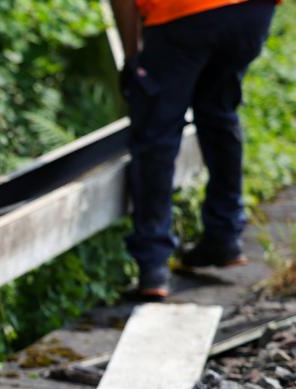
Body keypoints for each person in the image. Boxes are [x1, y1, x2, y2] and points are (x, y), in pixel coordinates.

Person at [112, 0, 277, 299]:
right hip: (251, 12)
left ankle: (153, 264)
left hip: (179, 14)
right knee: (219, 113)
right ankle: (224, 235)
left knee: (157, 133)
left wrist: (132, 58)